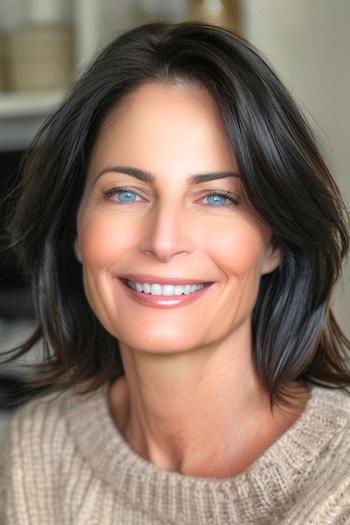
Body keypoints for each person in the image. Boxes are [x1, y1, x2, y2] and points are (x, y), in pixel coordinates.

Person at [0, 20, 350, 525]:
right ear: (74, 225)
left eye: (217, 197)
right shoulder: (39, 447)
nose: (163, 241)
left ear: (274, 241)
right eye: (125, 193)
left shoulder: (337, 482)